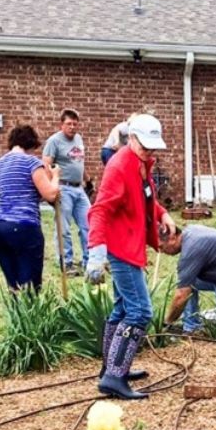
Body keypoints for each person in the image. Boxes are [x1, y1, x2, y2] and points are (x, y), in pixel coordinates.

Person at [86, 114, 176, 400]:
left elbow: (145, 198)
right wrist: (96, 252)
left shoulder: (140, 164)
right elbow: (100, 210)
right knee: (140, 311)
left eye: (153, 147)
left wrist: (162, 214)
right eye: (145, 145)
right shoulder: (120, 166)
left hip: (131, 244)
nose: (150, 151)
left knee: (123, 309)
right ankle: (114, 376)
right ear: (132, 138)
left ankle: (112, 368)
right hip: (121, 249)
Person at [0, 125, 60, 291]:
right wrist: (56, 176)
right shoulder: (31, 162)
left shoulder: (0, 163)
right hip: (24, 226)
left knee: (13, 284)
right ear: (30, 143)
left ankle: (16, 315)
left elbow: (17, 191)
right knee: (30, 285)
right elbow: (51, 194)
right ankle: (31, 315)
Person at [42, 108, 90, 276]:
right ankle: (66, 263)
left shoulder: (78, 138)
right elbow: (46, 166)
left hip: (79, 189)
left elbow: (79, 161)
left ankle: (89, 262)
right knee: (64, 228)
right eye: (69, 124)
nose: (72, 127)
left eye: (75, 124)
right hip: (63, 188)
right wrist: (51, 189)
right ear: (61, 124)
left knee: (88, 225)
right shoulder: (54, 141)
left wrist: (87, 179)